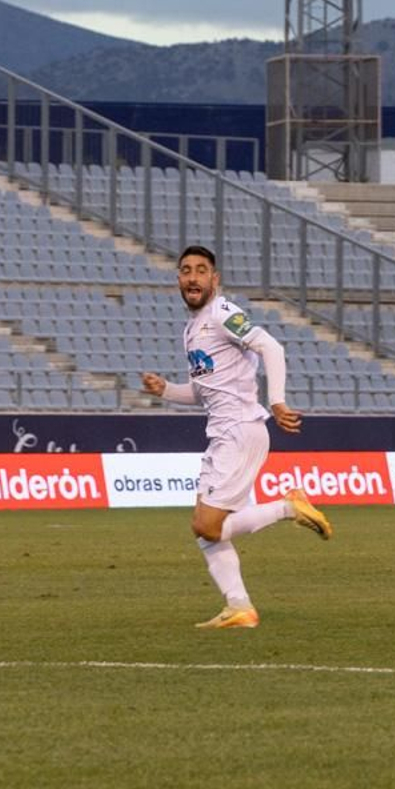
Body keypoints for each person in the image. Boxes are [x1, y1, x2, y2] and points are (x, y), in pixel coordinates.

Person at [141, 245, 331, 630]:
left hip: (240, 430)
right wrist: (167, 390)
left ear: (215, 279)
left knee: (207, 526)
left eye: (201, 270)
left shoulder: (222, 312)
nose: (192, 277)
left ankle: (288, 507)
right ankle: (239, 606)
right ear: (178, 279)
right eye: (186, 270)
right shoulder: (192, 329)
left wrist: (277, 401)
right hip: (223, 434)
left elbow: (270, 346)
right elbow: (203, 392)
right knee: (205, 530)